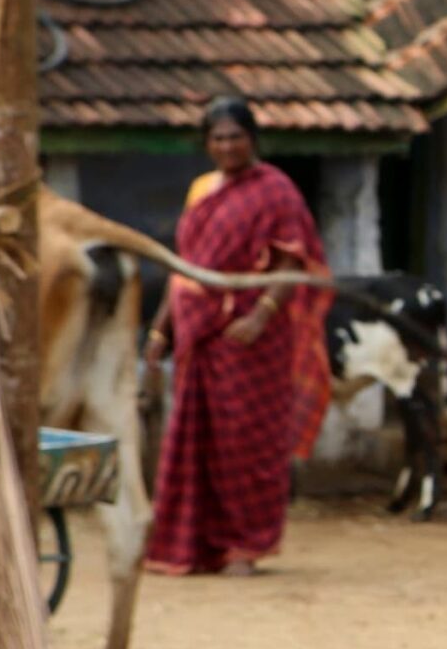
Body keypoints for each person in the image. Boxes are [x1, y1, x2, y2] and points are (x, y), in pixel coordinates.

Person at [142, 97, 332, 577]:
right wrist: (160, 329)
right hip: (197, 333)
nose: (228, 146)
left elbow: (292, 262)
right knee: (193, 439)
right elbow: (184, 267)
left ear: (253, 139)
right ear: (207, 144)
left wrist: (261, 317)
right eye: (218, 138)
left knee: (245, 444)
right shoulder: (202, 190)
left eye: (236, 137)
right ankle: (193, 546)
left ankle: (244, 547)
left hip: (251, 339)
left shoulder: (276, 190)